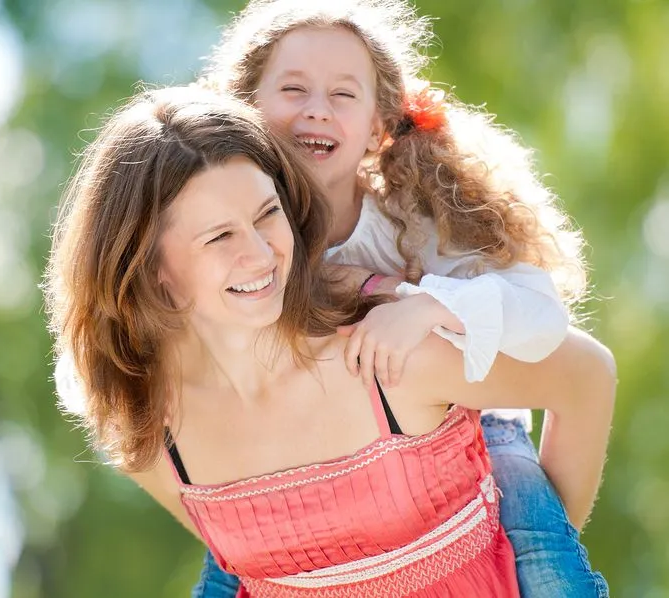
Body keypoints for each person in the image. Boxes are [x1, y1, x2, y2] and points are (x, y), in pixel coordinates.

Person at [45, 86, 616, 597]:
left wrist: (540, 555)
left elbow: (585, 376)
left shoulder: (389, 354)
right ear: (148, 270)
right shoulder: (146, 426)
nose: (262, 254)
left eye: (268, 214)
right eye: (219, 236)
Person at [189, 1, 612, 595]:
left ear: (378, 127)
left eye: (343, 95)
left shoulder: (413, 221)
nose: (317, 109)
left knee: (538, 544)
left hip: (473, 427)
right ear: (244, 108)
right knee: (228, 561)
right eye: (292, 88)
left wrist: (431, 307)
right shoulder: (227, 229)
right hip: (311, 448)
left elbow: (544, 314)